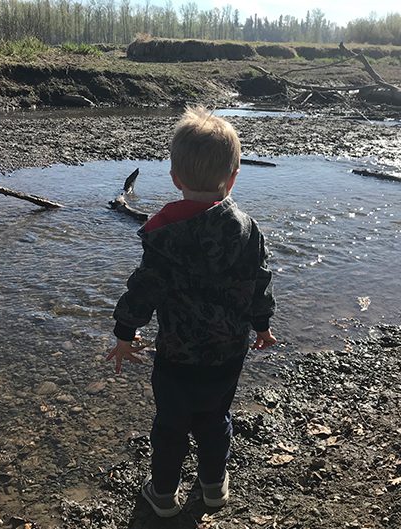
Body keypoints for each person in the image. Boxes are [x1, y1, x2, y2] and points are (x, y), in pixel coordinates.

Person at [107, 106, 277, 517]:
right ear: (233, 177)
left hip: (176, 357)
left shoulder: (166, 236)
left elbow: (143, 291)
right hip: (227, 353)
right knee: (215, 419)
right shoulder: (248, 229)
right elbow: (260, 279)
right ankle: (214, 488)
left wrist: (124, 334)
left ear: (175, 178)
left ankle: (163, 495)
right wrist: (262, 325)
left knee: (171, 425)